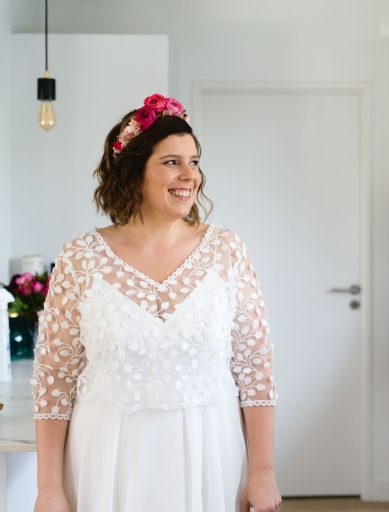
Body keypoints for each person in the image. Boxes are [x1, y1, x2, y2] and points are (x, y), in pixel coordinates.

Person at [32, 94, 281, 512]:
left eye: (195, 161)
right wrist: (49, 488)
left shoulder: (227, 250)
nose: (190, 175)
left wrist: (263, 472)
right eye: (171, 162)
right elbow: (54, 380)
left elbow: (255, 369)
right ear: (134, 172)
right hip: (106, 456)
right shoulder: (80, 258)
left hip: (211, 452)